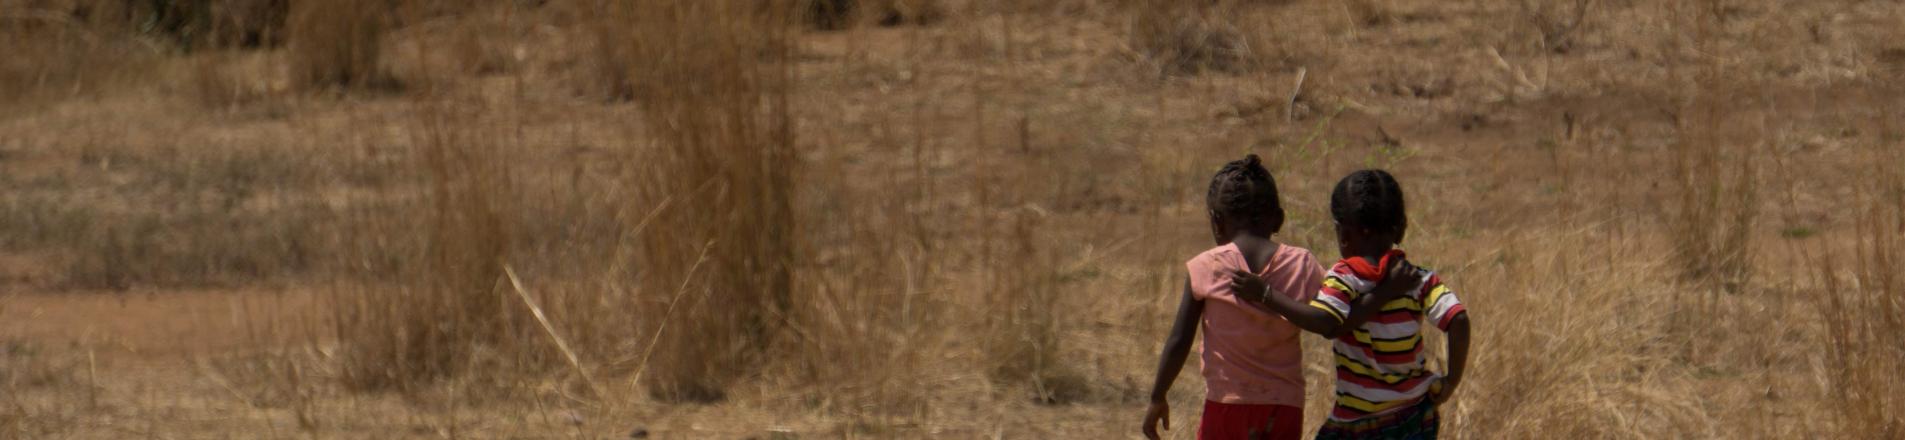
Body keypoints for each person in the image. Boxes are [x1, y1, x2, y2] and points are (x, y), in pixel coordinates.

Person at [1143, 156, 1420, 440]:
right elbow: (1338, 318)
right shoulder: (1301, 264)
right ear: (1278, 219)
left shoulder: (1206, 267)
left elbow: (1179, 340)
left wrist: (1157, 396)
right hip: (1284, 407)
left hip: (1226, 404)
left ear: (1216, 222)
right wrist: (1386, 291)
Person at [1228, 169, 1471, 439]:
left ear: (1342, 234)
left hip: (1358, 423)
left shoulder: (1344, 278)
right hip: (1414, 416)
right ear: (1401, 227)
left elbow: (1327, 323)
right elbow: (1458, 319)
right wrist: (1451, 381)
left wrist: (1266, 294)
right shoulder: (1419, 278)